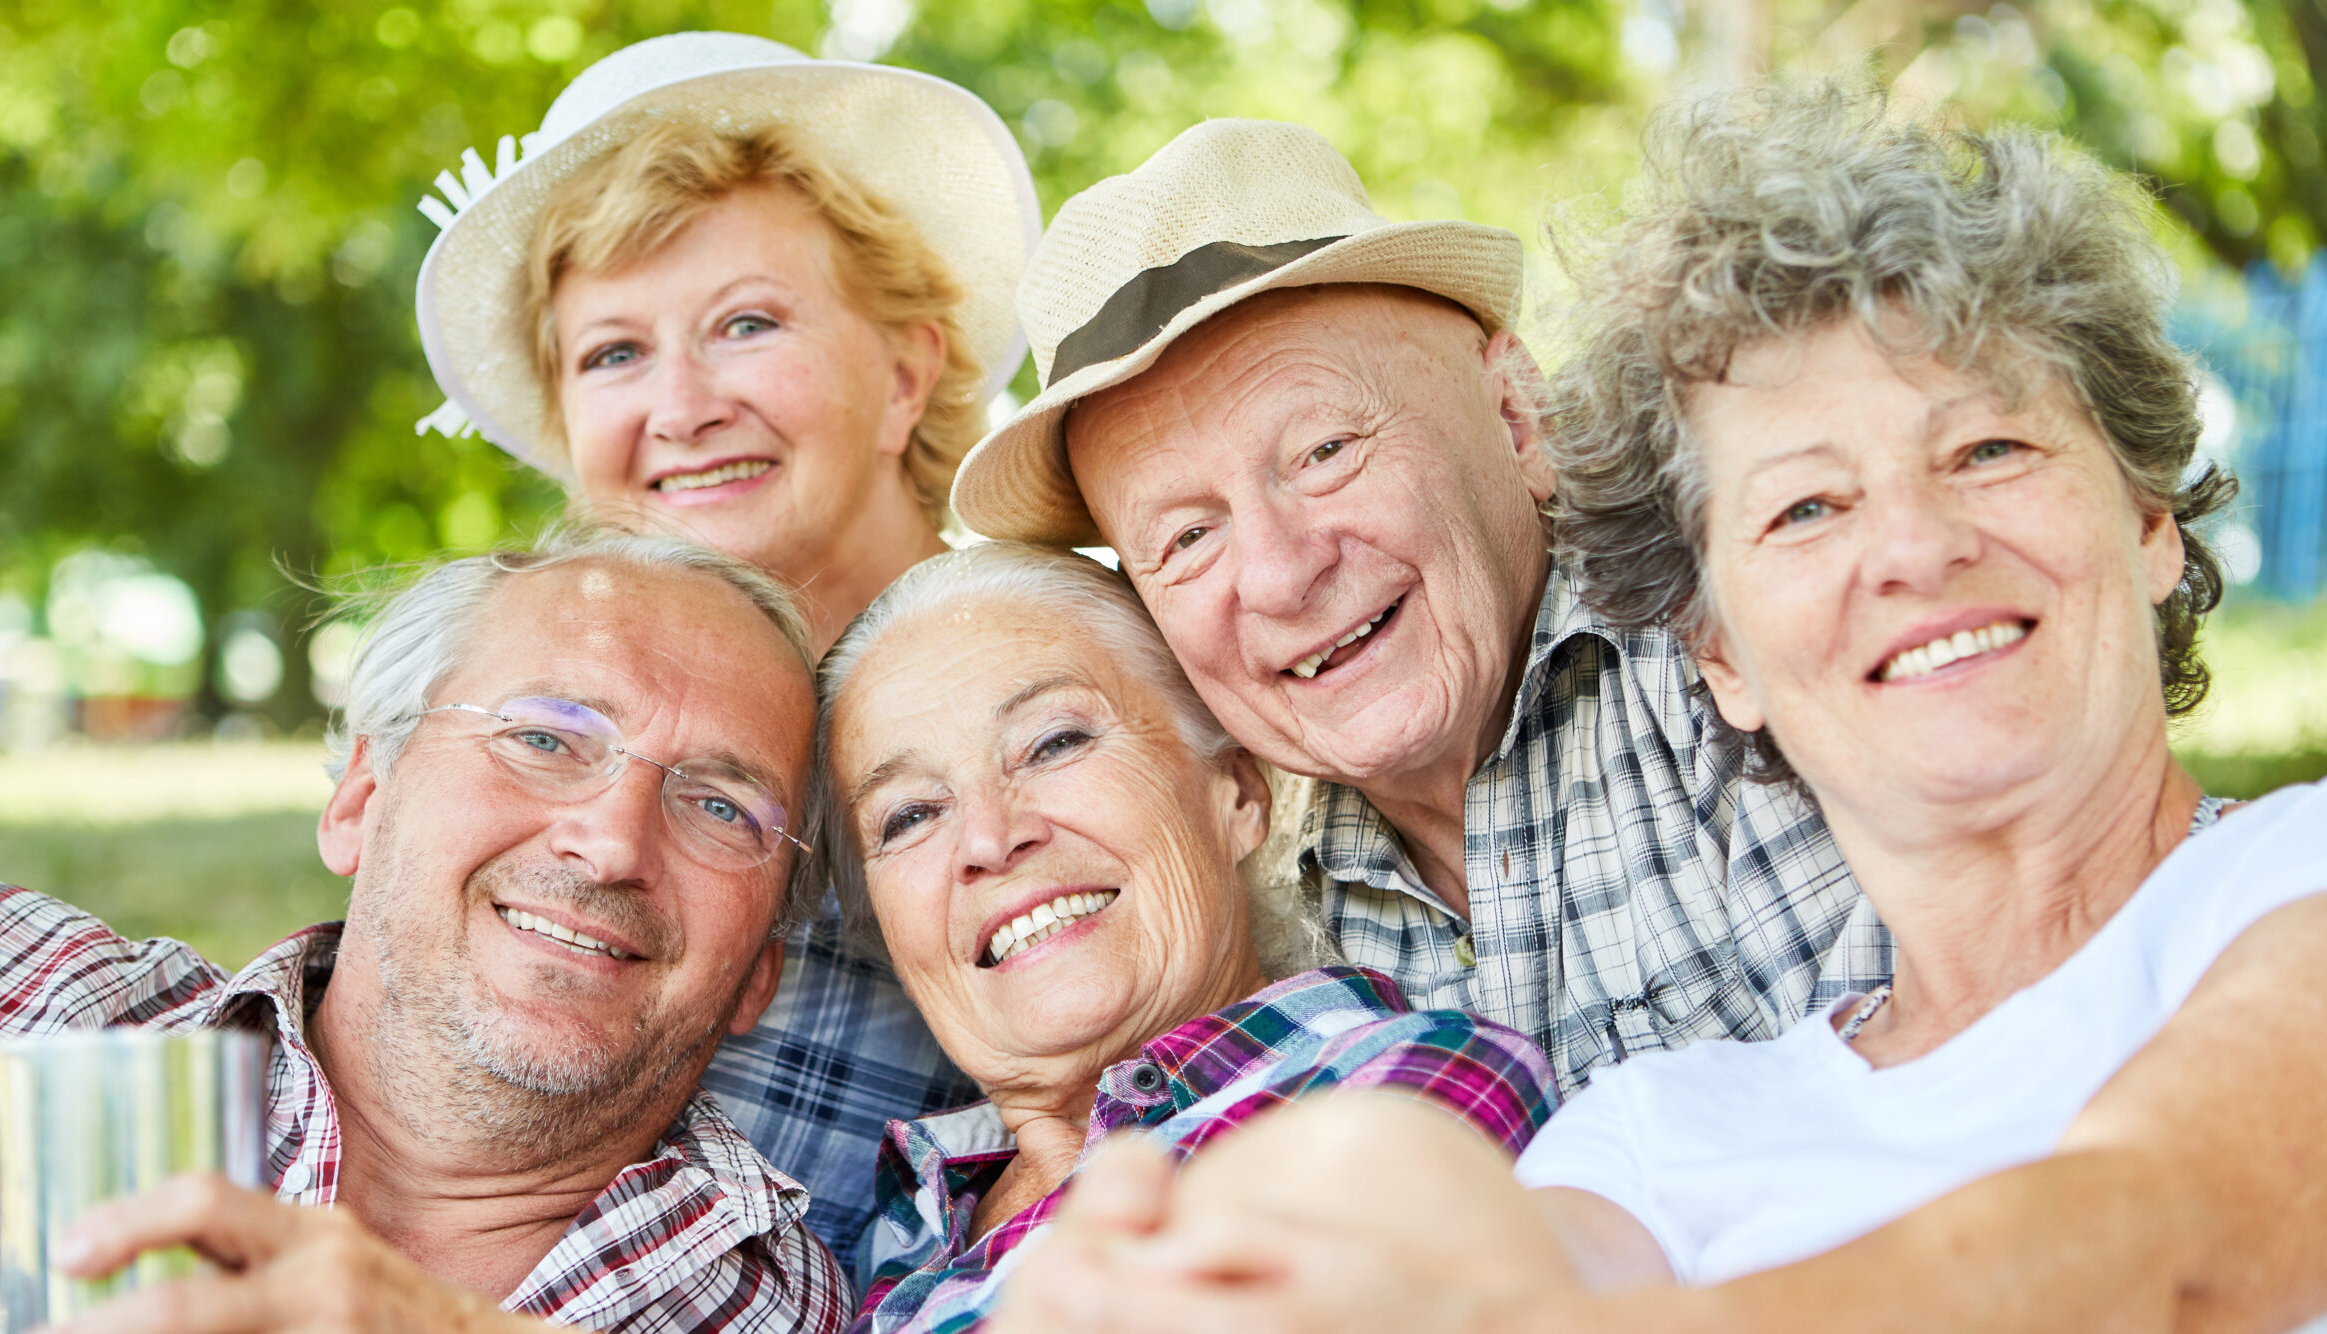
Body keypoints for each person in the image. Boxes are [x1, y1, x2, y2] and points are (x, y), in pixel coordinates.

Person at [992, 82, 2327, 1333]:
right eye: (1806, 509)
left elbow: (2169, 1224)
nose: (1913, 550)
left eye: (1990, 449)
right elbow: (1465, 1236)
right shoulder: (1660, 1116)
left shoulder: (2288, 880)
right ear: (1722, 645)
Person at [949, 117, 1885, 1093]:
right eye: (1187, 537)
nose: (1279, 575)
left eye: (1325, 452)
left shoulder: (1744, 640)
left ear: (1517, 417)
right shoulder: (1234, 910)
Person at [0, 530, 846, 1333]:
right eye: (544, 738)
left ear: (761, 968)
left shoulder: (784, 1307)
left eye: (722, 807)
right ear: (361, 799)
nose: (611, 842)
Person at [413, 30, 1040, 1269]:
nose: (682, 407)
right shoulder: (524, 733)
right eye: (613, 353)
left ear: (904, 373)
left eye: (745, 323)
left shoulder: (1055, 685)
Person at [811, 542, 1558, 1332]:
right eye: (909, 816)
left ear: (1236, 791)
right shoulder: (898, 1240)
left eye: (1054, 742)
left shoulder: (1409, 1084)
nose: (989, 840)